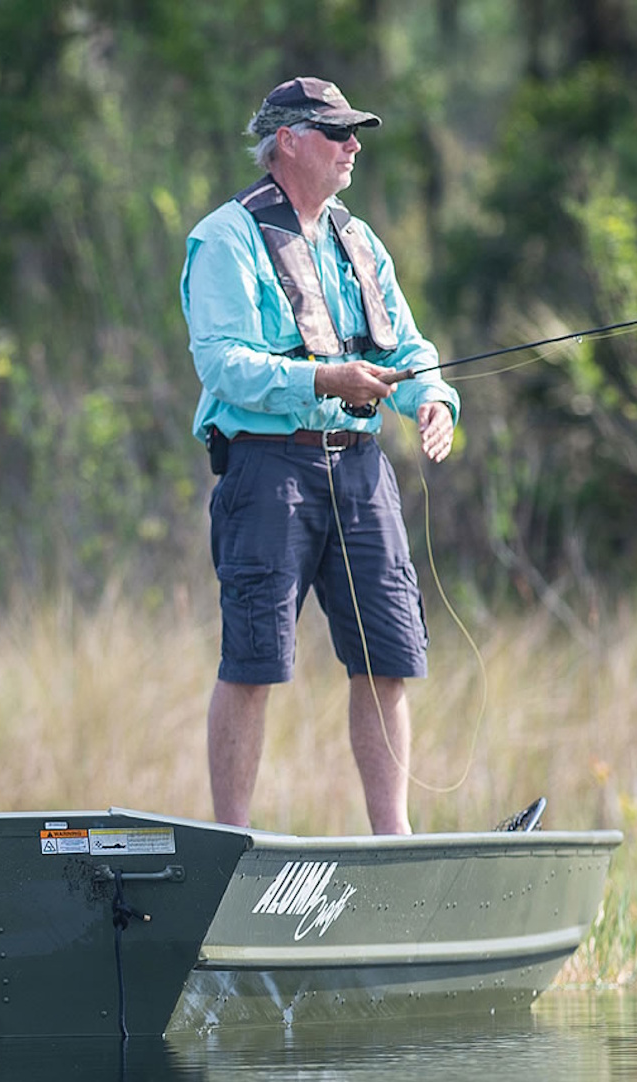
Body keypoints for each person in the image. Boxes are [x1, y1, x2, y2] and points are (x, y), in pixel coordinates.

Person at [179, 76, 459, 834]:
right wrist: (322, 380)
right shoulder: (225, 239)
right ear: (290, 142)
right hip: (267, 470)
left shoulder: (358, 240)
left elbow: (406, 348)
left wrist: (431, 398)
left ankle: (393, 839)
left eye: (355, 133)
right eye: (337, 134)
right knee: (253, 662)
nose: (353, 147)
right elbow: (224, 365)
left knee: (388, 658)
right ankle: (233, 840)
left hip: (361, 469)